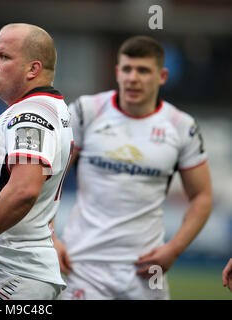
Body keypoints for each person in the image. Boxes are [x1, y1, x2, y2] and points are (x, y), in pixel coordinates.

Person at [54, 35, 213, 300]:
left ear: (162, 76)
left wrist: (174, 249)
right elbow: (48, 179)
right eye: (127, 69)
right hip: (81, 265)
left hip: (145, 270)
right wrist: (50, 236)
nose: (133, 78)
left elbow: (202, 197)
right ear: (117, 73)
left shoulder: (181, 126)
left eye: (143, 70)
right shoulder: (86, 111)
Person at [0, 23, 73, 300]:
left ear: (33, 69)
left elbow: (25, 190)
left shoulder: (32, 115)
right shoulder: (33, 109)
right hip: (12, 271)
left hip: (13, 274)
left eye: (4, 57)